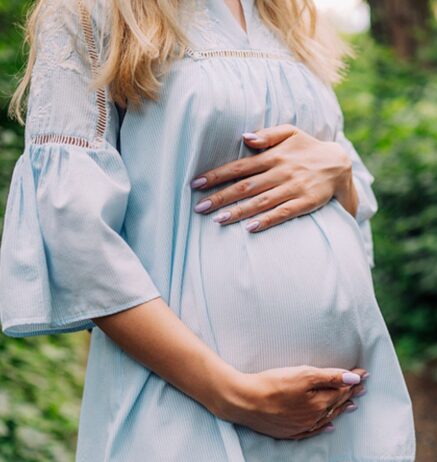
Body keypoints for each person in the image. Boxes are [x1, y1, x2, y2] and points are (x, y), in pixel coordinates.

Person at [0, 0, 415, 460]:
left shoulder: (287, 15)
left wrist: (338, 173)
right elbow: (75, 235)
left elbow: (351, 207)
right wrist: (231, 394)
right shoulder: (92, 9)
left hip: (343, 414)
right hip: (190, 405)